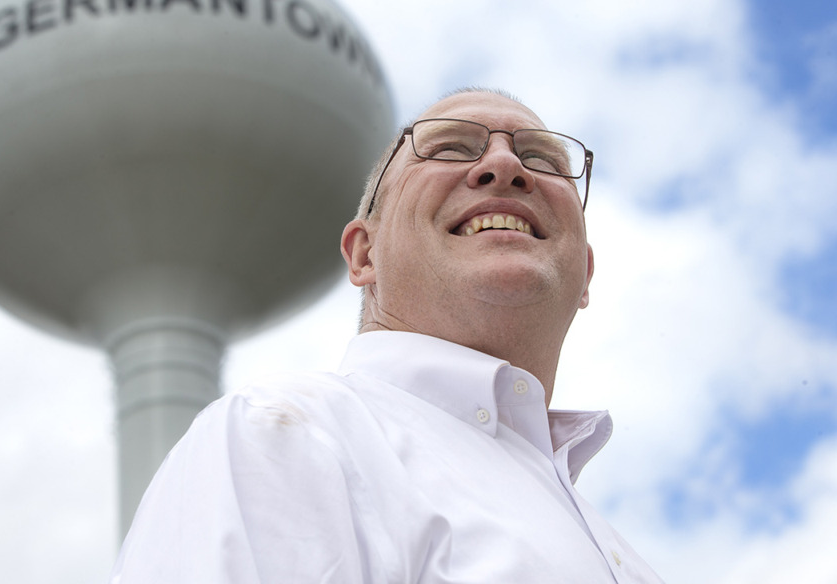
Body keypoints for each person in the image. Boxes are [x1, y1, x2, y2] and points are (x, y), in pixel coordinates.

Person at [109, 88, 665, 583]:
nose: (504, 165)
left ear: (585, 274)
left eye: (541, 158)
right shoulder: (289, 435)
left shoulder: (625, 553)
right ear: (364, 253)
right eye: (451, 148)